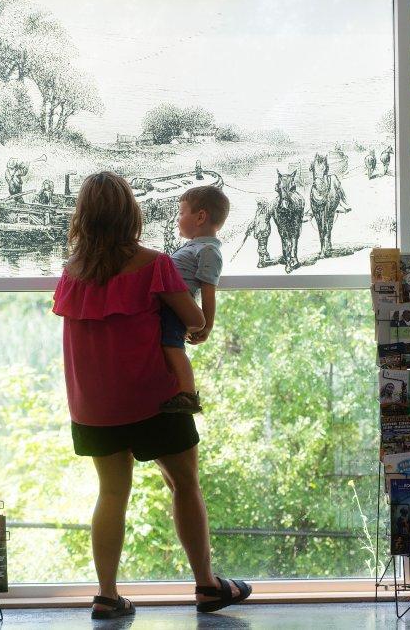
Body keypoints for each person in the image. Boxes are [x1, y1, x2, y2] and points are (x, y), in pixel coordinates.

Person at [52, 172, 251, 620]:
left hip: (93, 405)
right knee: (184, 485)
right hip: (153, 398)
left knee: (111, 494)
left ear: (82, 216)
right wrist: (201, 319)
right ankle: (207, 586)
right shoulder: (155, 263)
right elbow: (195, 320)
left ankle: (106, 595)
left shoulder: (72, 272)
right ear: (131, 214)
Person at [159, 185, 230, 414]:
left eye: (181, 213)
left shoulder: (208, 250)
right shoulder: (194, 247)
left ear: (200, 217)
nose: (177, 218)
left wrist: (207, 326)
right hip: (168, 306)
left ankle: (188, 394)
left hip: (176, 309)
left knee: (172, 346)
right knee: (168, 346)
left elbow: (209, 291)